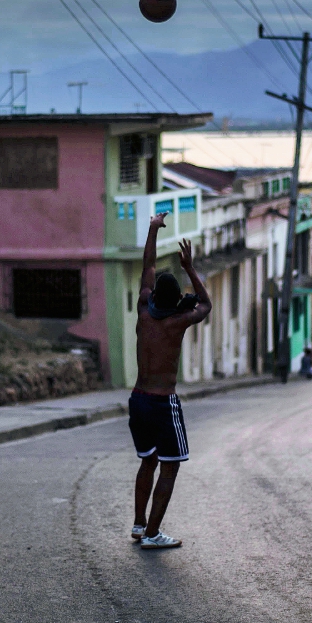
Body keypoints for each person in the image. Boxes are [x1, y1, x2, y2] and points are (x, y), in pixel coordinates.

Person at [129, 212, 211, 550]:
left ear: (152, 297)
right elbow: (205, 304)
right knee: (170, 466)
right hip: (163, 402)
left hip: (138, 399)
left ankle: (138, 524)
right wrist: (190, 267)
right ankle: (152, 534)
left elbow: (147, 267)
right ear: (176, 300)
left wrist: (153, 228)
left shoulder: (144, 311)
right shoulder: (177, 322)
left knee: (148, 460)